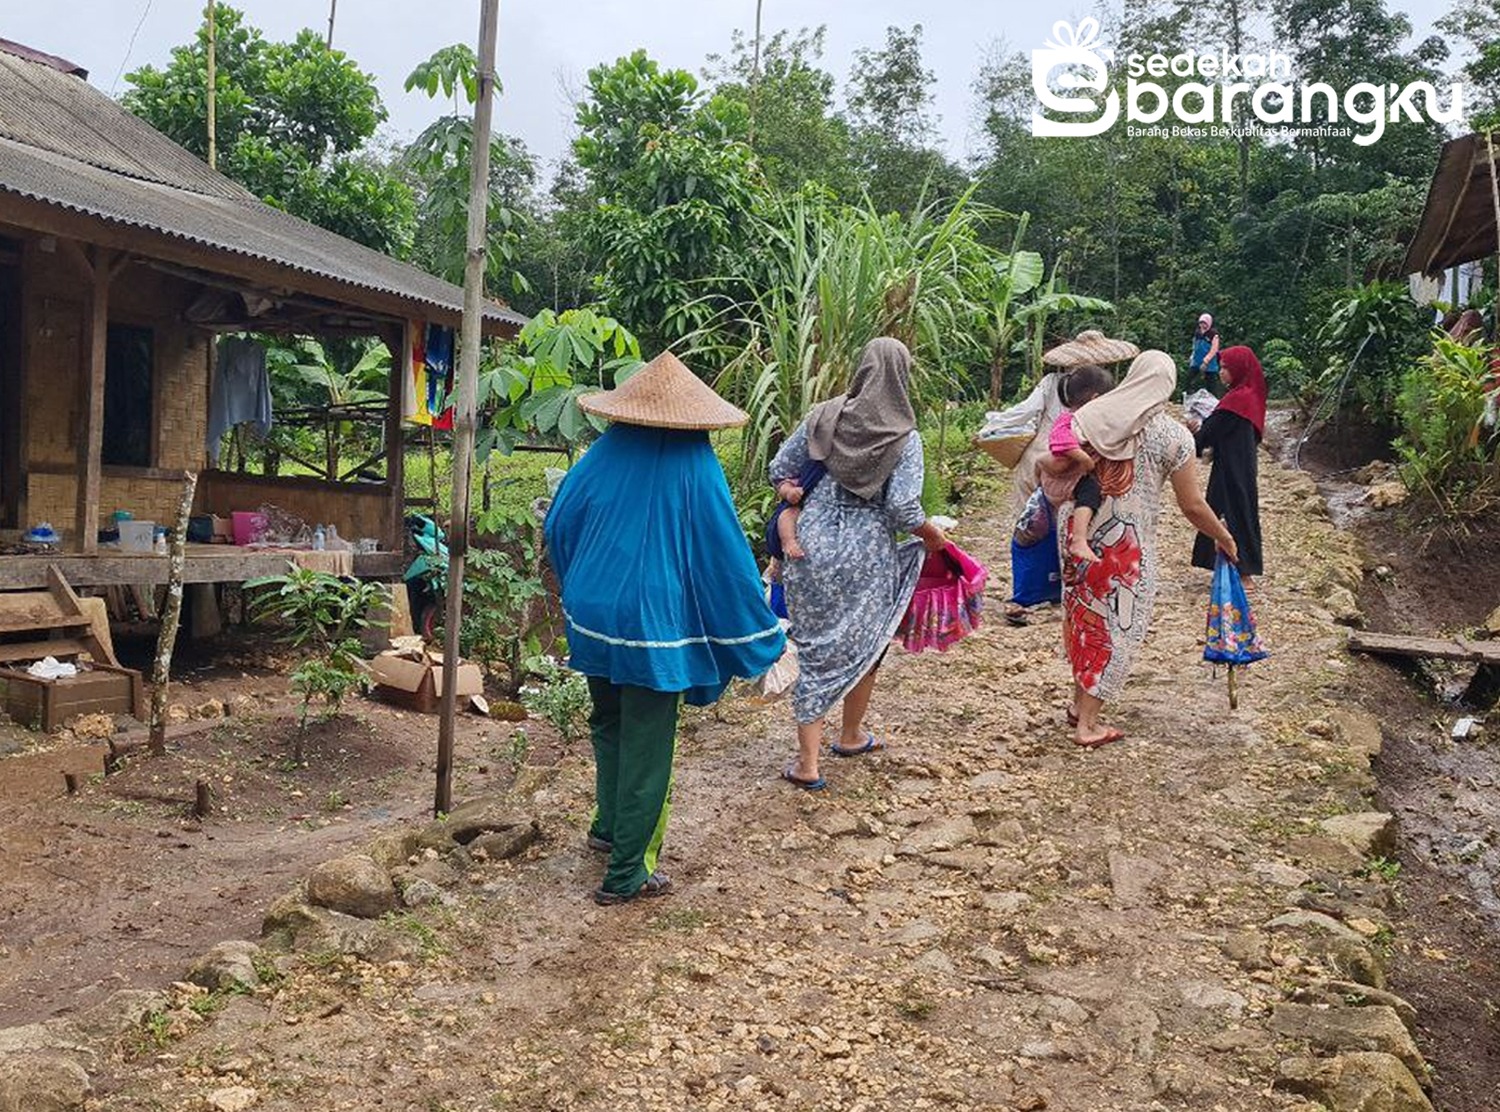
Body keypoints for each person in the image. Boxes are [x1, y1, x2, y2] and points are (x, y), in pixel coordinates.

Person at [544, 352, 786, 905]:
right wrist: (763, 632)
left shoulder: (601, 453)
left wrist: (582, 583)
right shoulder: (695, 466)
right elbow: (723, 558)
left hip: (594, 611)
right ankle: (628, 872)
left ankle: (608, 830)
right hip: (654, 626)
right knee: (649, 746)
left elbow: (559, 524)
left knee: (608, 720)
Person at [770, 337, 949, 791]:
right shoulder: (904, 437)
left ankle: (807, 762)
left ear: (862, 370)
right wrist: (932, 537)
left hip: (808, 545)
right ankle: (850, 735)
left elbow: (779, 468)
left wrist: (793, 494)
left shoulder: (824, 416)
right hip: (867, 552)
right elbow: (904, 509)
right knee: (867, 641)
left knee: (813, 646)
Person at [1061, 351, 1239, 749]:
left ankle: (1077, 705)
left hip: (1076, 533)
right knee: (1118, 626)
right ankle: (1087, 724)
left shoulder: (1092, 415)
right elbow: (1192, 505)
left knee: (1085, 619)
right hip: (1125, 546)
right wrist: (1223, 537)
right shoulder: (1172, 436)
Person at [987, 331, 1139, 625]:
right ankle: (1049, 587)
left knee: (1034, 524)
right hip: (1058, 462)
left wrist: (995, 425)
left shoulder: (1056, 384)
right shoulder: (1097, 393)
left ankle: (1040, 588)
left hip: (1043, 461)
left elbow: (1024, 412)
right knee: (1058, 524)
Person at [1190, 345, 1266, 579]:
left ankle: (1242, 571)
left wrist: (1191, 435)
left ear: (1239, 369)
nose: (1221, 372)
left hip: (1230, 468)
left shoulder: (1237, 400)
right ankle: (1234, 568)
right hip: (1241, 463)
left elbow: (1210, 433)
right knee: (1238, 509)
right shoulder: (1252, 394)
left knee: (1229, 512)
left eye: (1225, 368)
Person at [1036, 363, 1115, 567]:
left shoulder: (1082, 419)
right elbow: (1060, 442)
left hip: (1066, 477)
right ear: (1095, 399)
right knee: (1091, 491)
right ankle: (1079, 539)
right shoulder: (1069, 419)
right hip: (1064, 480)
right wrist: (1082, 457)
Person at [1189, 313, 1222, 396]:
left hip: (1210, 363)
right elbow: (1195, 345)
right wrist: (1192, 356)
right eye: (1201, 323)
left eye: (1205, 323)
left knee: (1211, 384)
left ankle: (1213, 402)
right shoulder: (1198, 333)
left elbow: (1214, 349)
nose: (1202, 325)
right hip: (1196, 360)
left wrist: (1206, 361)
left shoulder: (1213, 334)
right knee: (1190, 380)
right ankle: (1190, 396)